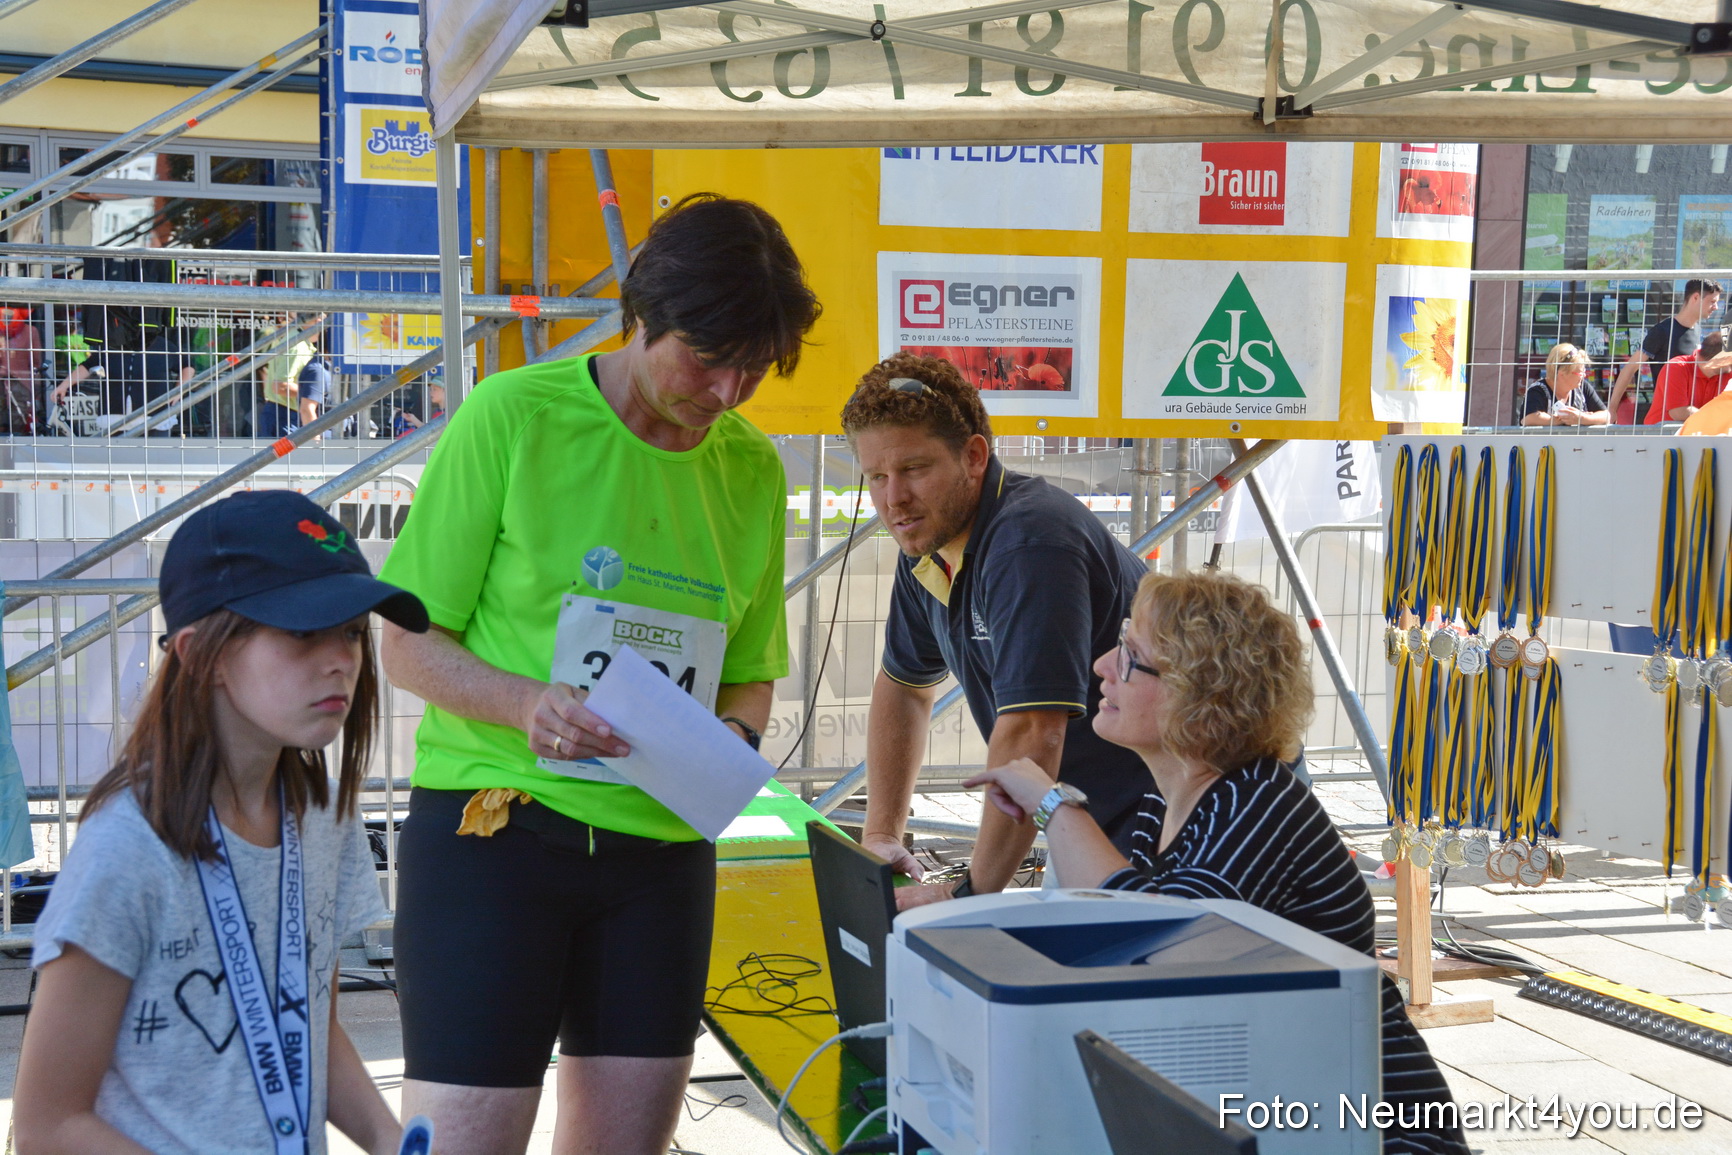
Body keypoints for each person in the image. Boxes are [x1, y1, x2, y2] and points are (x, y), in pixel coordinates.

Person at [376, 193, 821, 1155]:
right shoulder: (514, 417)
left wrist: (729, 743)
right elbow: (404, 641)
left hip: (659, 854)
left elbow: (749, 674)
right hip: (494, 831)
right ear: (644, 315)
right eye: (708, 359)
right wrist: (527, 705)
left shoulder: (751, 469)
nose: (729, 391)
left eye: (754, 369)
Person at [965, 570, 1469, 1155]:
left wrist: (1052, 802)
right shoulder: (1171, 799)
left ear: (1200, 693)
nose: (1102, 664)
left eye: (1131, 655)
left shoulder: (1258, 803)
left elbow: (1154, 947)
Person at [14, 489, 430, 1155]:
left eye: (352, 629)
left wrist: (388, 1138)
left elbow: (306, 1024)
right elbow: (44, 1127)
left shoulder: (326, 814)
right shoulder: (126, 848)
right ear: (199, 650)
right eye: (302, 630)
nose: (342, 659)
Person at [842, 354, 1154, 911]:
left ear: (974, 456)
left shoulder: (1030, 541)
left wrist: (969, 895)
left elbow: (1034, 733)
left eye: (914, 468)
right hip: (1087, 810)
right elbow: (905, 686)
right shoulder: (930, 540)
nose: (894, 499)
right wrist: (882, 834)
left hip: (1178, 808)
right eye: (877, 477)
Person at [1608, 278, 1724, 423]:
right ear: (1696, 297)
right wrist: (1612, 409)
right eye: (1712, 302)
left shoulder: (1698, 331)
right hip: (1665, 419)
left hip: (1691, 419)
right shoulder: (1663, 330)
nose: (1716, 307)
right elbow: (1630, 369)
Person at [1645, 329, 1730, 425]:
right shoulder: (1677, 367)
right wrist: (1716, 418)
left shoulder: (1726, 372)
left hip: (1704, 432)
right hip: (1664, 434)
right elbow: (1678, 413)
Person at [255, 314, 320, 438]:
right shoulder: (297, 347)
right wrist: (315, 394)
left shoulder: (295, 340)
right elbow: (281, 386)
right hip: (285, 414)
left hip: (283, 412)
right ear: (317, 321)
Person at [1521, 343, 1607, 427]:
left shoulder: (1583, 387)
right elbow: (1528, 418)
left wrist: (1582, 418)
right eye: (1580, 372)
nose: (1584, 375)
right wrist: (1563, 419)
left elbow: (1606, 415)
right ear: (1562, 373)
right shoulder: (1537, 390)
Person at [0, 304, 44, 433]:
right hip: (12, 382)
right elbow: (36, 362)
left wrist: (36, 389)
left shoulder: (31, 331)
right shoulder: (30, 331)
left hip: (22, 384)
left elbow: (36, 363)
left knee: (19, 419)